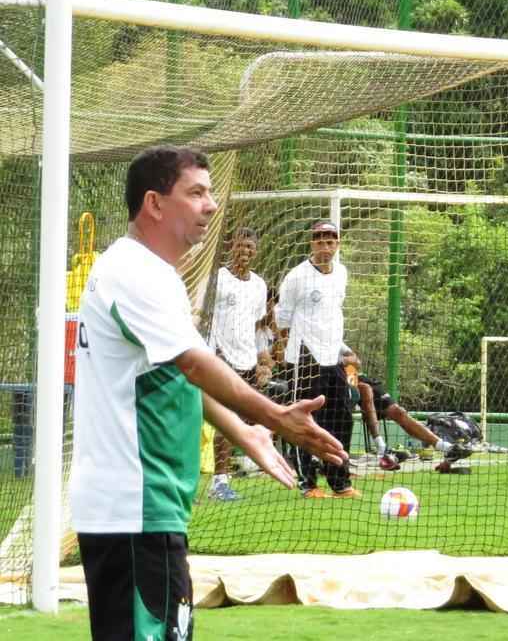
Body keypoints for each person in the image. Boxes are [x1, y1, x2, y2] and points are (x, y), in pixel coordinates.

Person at [68, 145, 347, 641]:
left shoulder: (151, 274)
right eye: (196, 193)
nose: (212, 205)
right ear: (155, 204)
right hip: (135, 511)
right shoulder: (135, 273)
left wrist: (246, 432)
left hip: (146, 512)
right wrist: (277, 417)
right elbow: (197, 365)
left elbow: (180, 372)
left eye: (210, 193)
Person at [275, 219, 361, 499]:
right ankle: (307, 483)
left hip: (333, 356)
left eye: (330, 240)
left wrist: (344, 350)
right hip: (304, 357)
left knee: (342, 418)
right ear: (312, 243)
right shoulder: (297, 276)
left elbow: (333, 313)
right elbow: (282, 318)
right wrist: (290, 349)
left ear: (337, 243)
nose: (325, 246)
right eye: (320, 240)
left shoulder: (342, 273)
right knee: (304, 419)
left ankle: (340, 482)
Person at [205, 227, 272, 502]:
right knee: (226, 419)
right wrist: (213, 352)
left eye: (250, 247)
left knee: (250, 418)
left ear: (256, 251)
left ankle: (241, 467)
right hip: (220, 359)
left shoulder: (259, 285)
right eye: (241, 246)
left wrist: (261, 358)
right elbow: (204, 317)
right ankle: (219, 481)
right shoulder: (218, 278)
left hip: (247, 362)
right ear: (232, 247)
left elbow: (257, 325)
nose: (245, 251)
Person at [353, 373, 472, 469]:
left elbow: (355, 361)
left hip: (357, 377)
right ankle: (380, 448)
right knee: (364, 391)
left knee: (398, 412)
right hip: (340, 382)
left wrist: (351, 361)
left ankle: (447, 448)